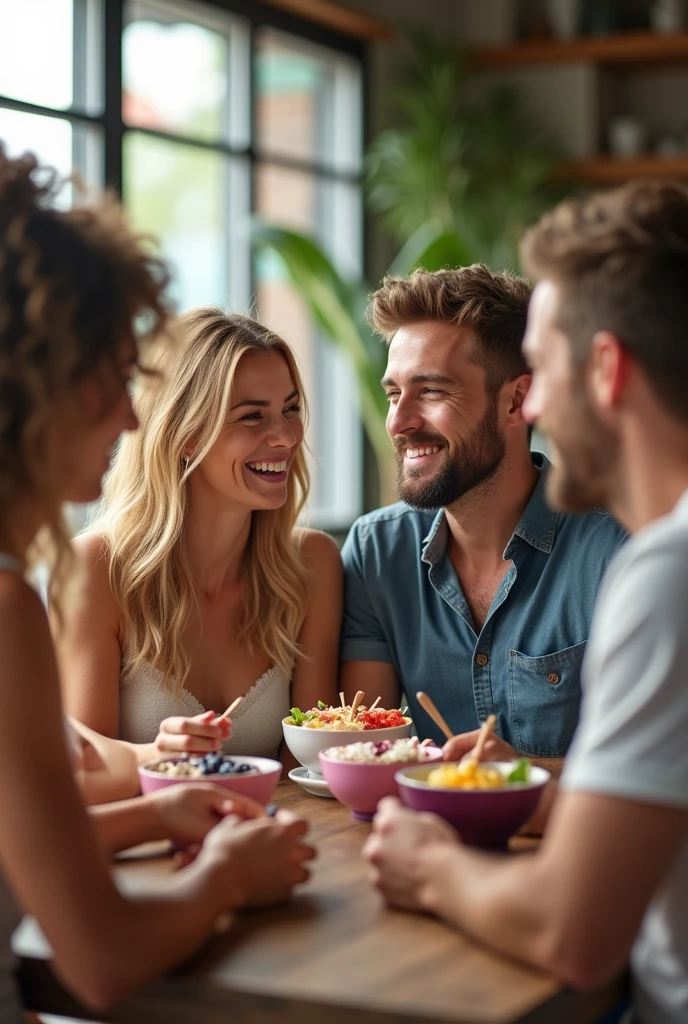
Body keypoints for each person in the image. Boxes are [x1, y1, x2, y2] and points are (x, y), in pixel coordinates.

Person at [0, 148, 314, 1022]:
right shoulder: (12, 604)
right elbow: (103, 962)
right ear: (35, 383)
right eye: (110, 377)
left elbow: (22, 842)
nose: (132, 416)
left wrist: (157, 817)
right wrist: (226, 874)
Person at [364, 180, 688, 1024]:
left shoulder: (666, 572)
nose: (534, 404)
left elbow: (570, 932)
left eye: (543, 372)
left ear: (607, 369)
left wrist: (429, 863)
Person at [341, 265, 625, 770]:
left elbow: (655, 772)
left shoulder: (618, 549)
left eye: (431, 391)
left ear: (517, 401)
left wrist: (517, 773)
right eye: (392, 393)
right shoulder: (374, 554)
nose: (400, 421)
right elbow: (367, 753)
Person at [56, 308, 341, 768]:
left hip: (269, 831)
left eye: (290, 409)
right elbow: (81, 773)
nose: (287, 437)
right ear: (185, 434)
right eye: (252, 417)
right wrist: (155, 755)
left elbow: (307, 768)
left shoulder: (312, 564)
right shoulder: (96, 567)